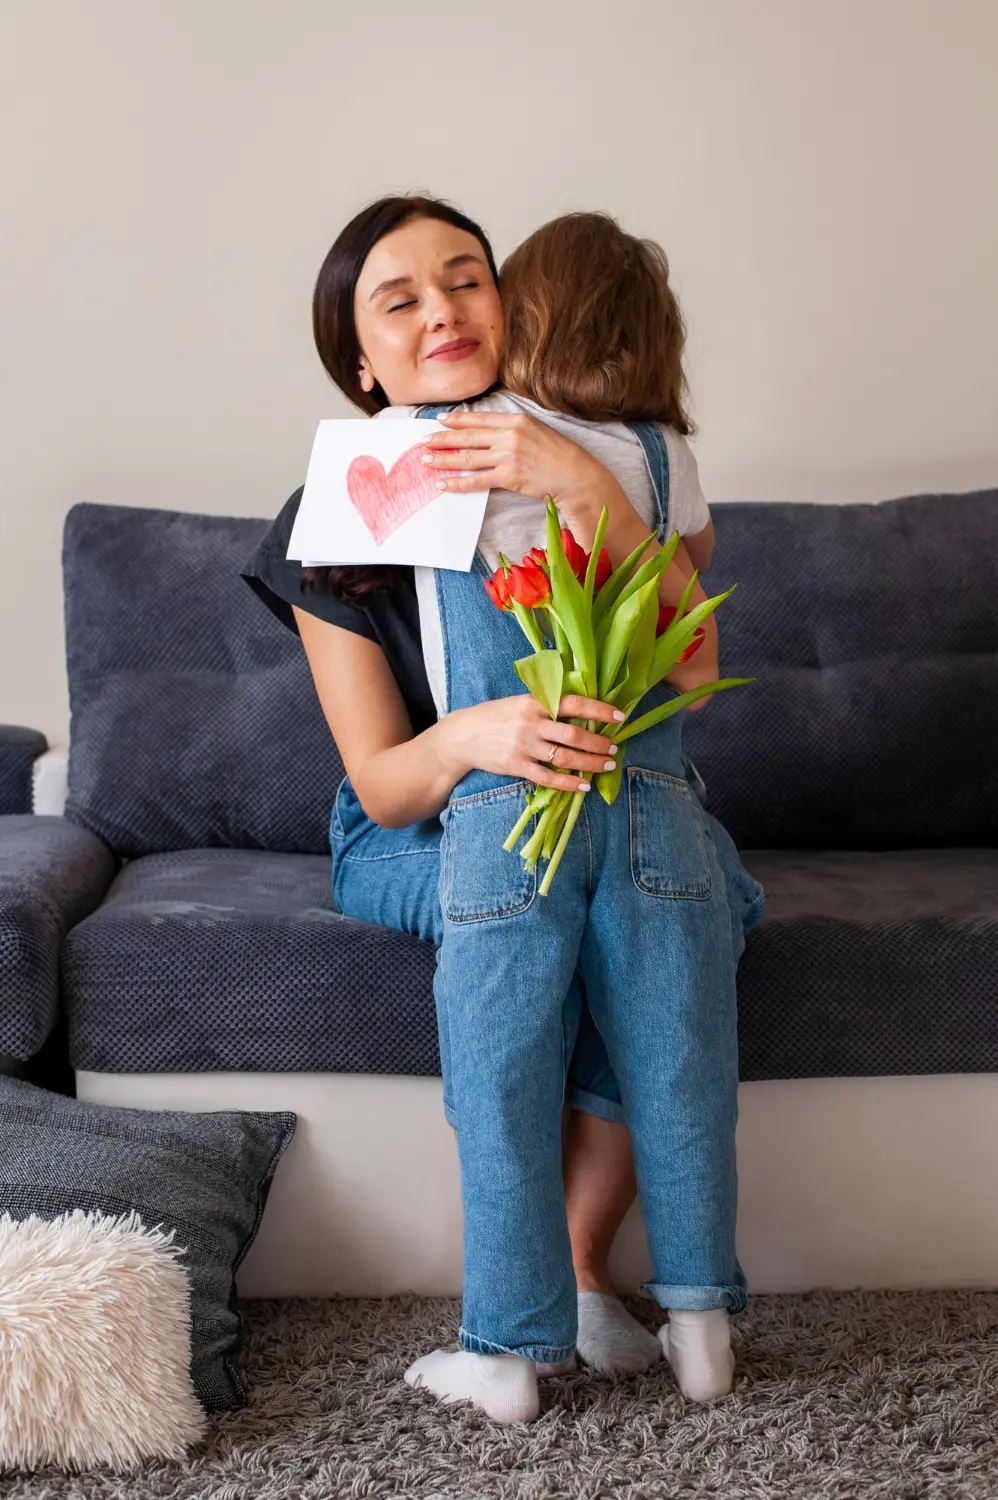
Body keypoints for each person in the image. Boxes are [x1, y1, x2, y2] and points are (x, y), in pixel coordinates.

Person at [243, 198, 765, 1421]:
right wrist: (478, 733)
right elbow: (380, 782)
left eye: (464, 278)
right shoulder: (347, 502)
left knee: (671, 901)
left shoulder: (600, 448)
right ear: (359, 361)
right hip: (425, 816)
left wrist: (579, 478)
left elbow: (688, 663)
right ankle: (595, 1302)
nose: (442, 311)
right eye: (400, 299)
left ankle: (568, 1284)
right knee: (597, 932)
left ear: (510, 297)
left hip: (597, 798)